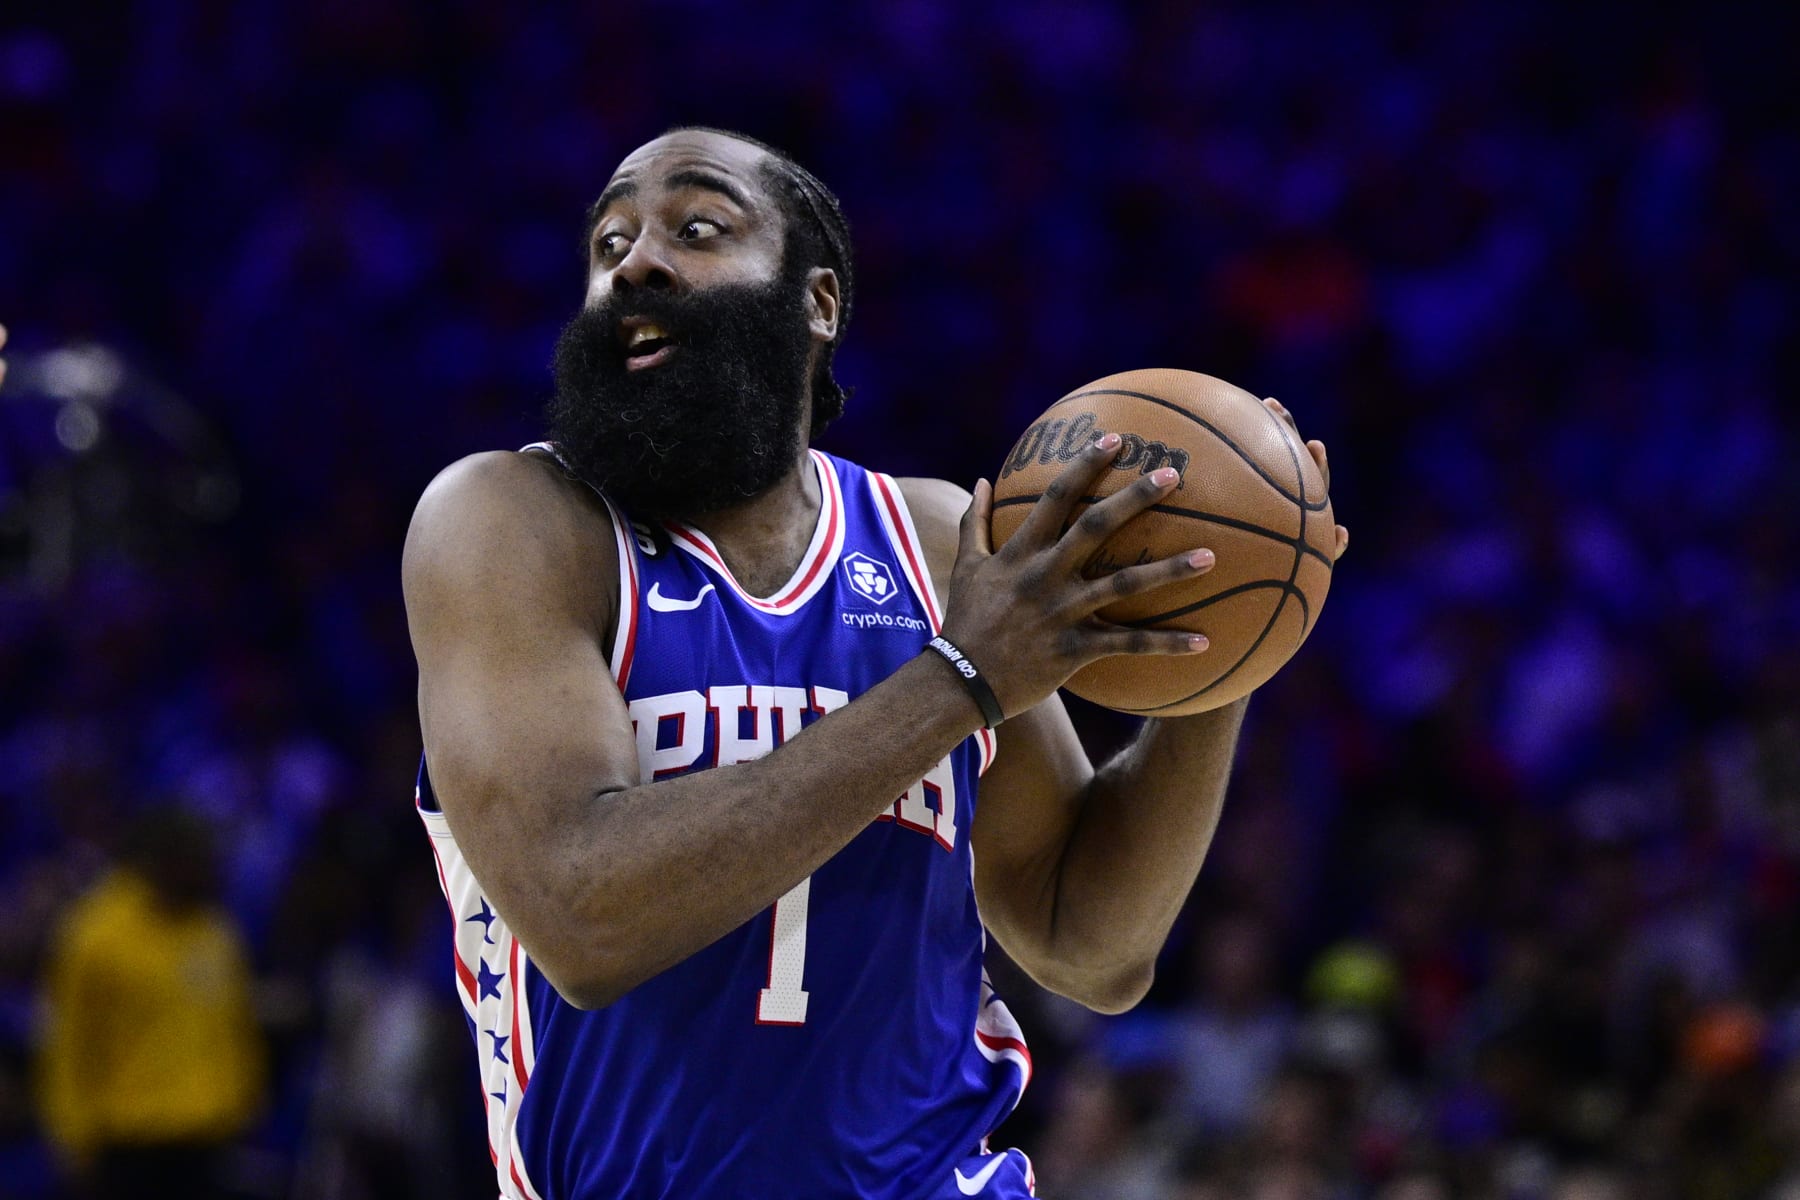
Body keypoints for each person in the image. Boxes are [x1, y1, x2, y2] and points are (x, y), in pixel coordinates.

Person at [401, 126, 1347, 1199]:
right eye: (610, 241)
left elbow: (1089, 943)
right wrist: (959, 682)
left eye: (697, 227)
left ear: (818, 305)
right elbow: (582, 916)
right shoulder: (512, 524)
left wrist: (1220, 649)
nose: (637, 261)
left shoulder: (936, 542)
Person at [36, 806, 265, 1200]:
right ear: (163, 860)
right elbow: (68, 1042)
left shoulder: (214, 930)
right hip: (130, 1145)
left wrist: (243, 1101)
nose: (212, 870)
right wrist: (72, 1139)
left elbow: (234, 1025)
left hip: (209, 1140)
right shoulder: (96, 934)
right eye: (199, 859)